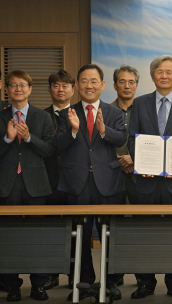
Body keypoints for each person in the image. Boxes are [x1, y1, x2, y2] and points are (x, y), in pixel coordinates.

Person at [127, 55, 172, 300]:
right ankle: (145, 282)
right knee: (145, 234)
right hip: (147, 181)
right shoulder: (139, 103)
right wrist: (141, 164)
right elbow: (132, 139)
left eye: (169, 72)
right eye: (160, 71)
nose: (165, 75)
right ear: (152, 76)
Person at [55, 64, 127, 301]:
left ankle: (110, 282)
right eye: (84, 81)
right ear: (77, 86)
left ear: (103, 85)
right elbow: (59, 145)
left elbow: (122, 138)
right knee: (80, 236)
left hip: (108, 182)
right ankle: (83, 282)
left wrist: (104, 130)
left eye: (94, 81)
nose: (89, 85)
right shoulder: (68, 113)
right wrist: (73, 131)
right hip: (77, 183)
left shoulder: (114, 112)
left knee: (110, 235)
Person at [0, 70, 55, 301]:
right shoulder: (1, 116)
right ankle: (12, 285)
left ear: (30, 89)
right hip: (7, 185)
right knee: (8, 237)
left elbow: (51, 151)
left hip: (36, 186)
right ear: (8, 90)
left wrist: (30, 137)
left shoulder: (42, 117)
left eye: (23, 85)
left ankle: (38, 284)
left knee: (37, 236)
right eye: (13, 85)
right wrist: (9, 138)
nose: (18, 89)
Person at [42, 70, 75, 290]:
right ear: (50, 89)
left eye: (65, 86)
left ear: (73, 89)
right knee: (50, 230)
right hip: (49, 180)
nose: (60, 89)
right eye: (56, 85)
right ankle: (50, 275)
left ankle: (75, 276)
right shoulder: (39, 115)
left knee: (76, 229)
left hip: (76, 181)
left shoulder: (82, 114)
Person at [111, 65, 139, 205]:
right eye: (122, 82)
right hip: (112, 174)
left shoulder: (146, 111)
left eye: (131, 82)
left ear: (136, 85)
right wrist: (120, 161)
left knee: (142, 220)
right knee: (113, 221)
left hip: (140, 175)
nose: (127, 86)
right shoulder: (105, 112)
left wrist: (134, 158)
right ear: (115, 86)